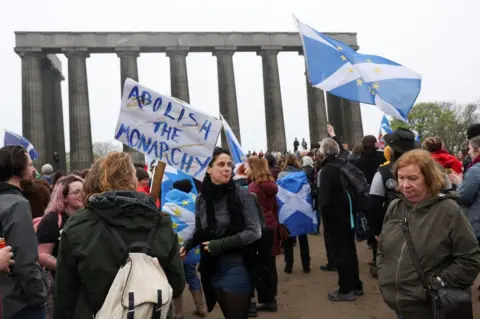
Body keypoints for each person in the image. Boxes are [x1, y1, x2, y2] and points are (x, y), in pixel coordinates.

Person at [54, 152, 185, 318]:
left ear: (93, 181)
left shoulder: (78, 225)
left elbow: (65, 293)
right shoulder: (160, 222)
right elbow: (178, 284)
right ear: (132, 180)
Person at [377, 149, 480, 319]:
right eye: (401, 178)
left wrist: (438, 284)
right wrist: (384, 273)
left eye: (412, 178)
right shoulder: (395, 207)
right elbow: (383, 247)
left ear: (429, 178)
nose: (405, 185)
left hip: (432, 307)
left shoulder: (449, 211)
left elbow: (470, 259)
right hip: (399, 305)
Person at [181, 147, 262, 318]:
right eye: (221, 164)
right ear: (208, 169)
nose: (227, 168)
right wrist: (187, 246)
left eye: (229, 165)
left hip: (238, 264)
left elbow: (255, 231)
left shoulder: (241, 194)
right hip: (212, 267)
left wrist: (221, 244)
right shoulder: (201, 199)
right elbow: (199, 230)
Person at [0, 145, 47, 319]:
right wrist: (39, 295)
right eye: (30, 165)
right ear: (17, 170)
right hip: (19, 303)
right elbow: (25, 263)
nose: (34, 169)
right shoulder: (17, 204)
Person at [317, 138, 363, 301]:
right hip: (348, 215)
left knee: (341, 254)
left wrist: (323, 220)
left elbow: (324, 200)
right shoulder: (342, 164)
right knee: (350, 251)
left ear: (323, 153)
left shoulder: (328, 170)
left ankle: (345, 289)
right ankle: (356, 284)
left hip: (335, 218)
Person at [37, 175, 84, 319]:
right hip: (61, 284)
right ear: (63, 197)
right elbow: (42, 255)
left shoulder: (88, 216)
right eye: (76, 192)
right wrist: (65, 267)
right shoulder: (51, 220)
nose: (82, 195)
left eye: (84, 190)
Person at [165, 179, 207, 319]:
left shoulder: (167, 207)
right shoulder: (196, 203)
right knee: (192, 275)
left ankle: (178, 313)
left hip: (174, 250)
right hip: (191, 248)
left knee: (176, 278)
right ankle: (201, 307)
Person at [245, 156, 279, 313]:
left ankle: (251, 303)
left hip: (256, 227)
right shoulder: (271, 184)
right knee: (269, 264)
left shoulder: (253, 187)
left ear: (253, 168)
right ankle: (269, 299)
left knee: (252, 264)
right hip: (270, 225)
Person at [278, 154, 311, 274]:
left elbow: (279, 193)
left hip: (288, 209)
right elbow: (307, 191)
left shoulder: (281, 175)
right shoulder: (302, 174)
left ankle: (289, 266)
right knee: (303, 238)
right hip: (301, 208)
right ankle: (306, 265)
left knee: (288, 239)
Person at [450, 135, 480, 245]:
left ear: (478, 150)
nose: (469, 153)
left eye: (470, 149)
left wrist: (459, 183)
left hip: (476, 226)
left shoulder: (475, 171)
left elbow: (463, 198)